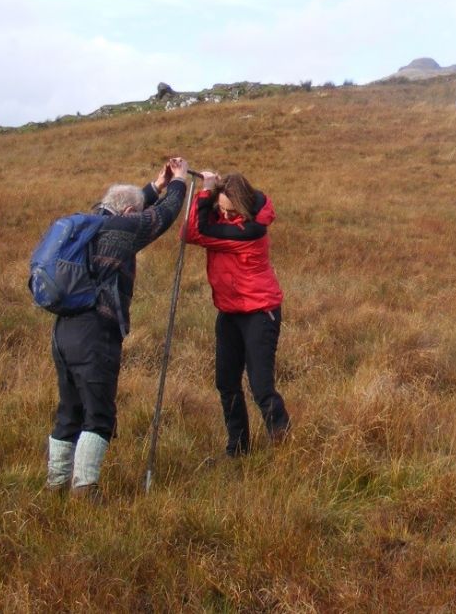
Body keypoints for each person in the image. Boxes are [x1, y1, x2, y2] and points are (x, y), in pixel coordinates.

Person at [46, 156, 190, 498]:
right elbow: (163, 216)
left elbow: (137, 206)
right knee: (99, 413)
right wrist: (180, 181)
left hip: (63, 332)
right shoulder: (123, 230)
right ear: (128, 214)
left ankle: (55, 486)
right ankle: (85, 488)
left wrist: (155, 186)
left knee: (69, 410)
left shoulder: (92, 223)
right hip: (95, 334)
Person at [184, 170, 290, 457]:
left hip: (259, 312)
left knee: (261, 387)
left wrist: (205, 193)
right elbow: (193, 229)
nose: (226, 217)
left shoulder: (250, 233)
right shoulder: (220, 222)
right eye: (221, 211)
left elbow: (194, 233)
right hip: (229, 313)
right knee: (226, 382)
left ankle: (284, 446)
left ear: (243, 206)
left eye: (231, 212)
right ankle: (238, 448)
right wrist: (209, 196)